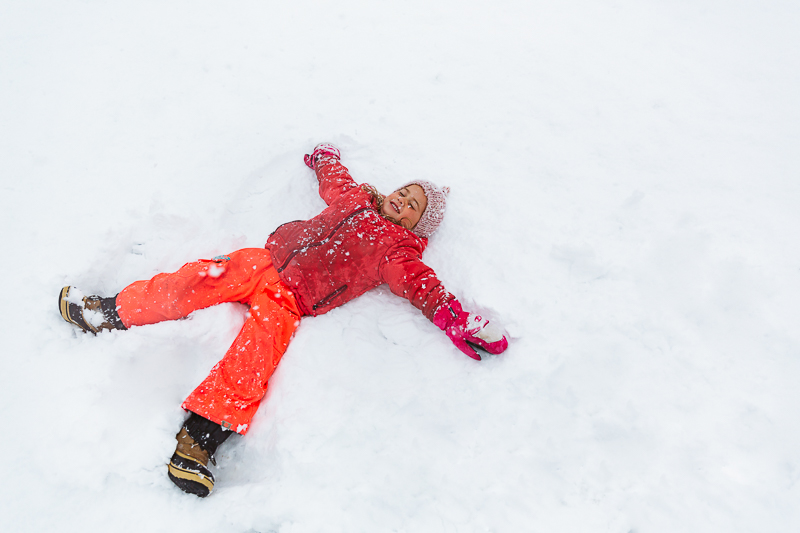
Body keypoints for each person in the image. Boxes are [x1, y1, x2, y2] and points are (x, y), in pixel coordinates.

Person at [58, 143, 509, 497]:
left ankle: (198, 441)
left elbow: (423, 288)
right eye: (404, 192)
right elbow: (335, 180)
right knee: (192, 281)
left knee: (253, 358)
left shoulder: (397, 250)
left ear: (416, 227)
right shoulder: (356, 197)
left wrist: (459, 321)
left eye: (412, 206)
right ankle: (110, 311)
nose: (401, 201)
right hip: (263, 260)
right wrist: (325, 159)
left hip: (291, 300)